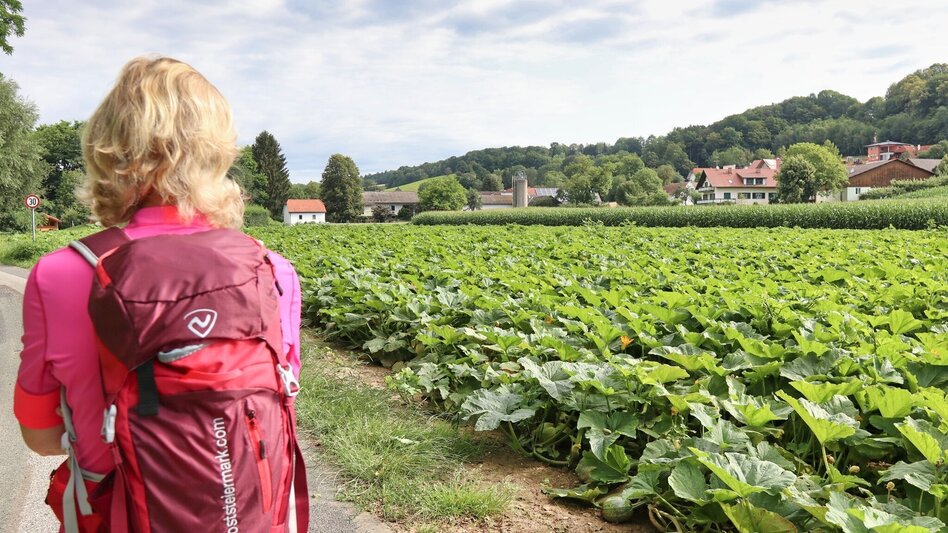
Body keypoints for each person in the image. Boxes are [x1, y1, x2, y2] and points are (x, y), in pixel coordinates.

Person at [14, 56, 302, 531]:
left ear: (108, 151)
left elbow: (40, 436)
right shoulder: (271, 271)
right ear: (218, 152)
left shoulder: (60, 274)